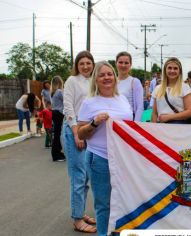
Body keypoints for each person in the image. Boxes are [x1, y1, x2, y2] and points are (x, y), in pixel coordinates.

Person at [78, 61, 133, 236]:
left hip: (122, 158)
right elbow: (81, 134)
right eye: (102, 75)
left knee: (122, 201)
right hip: (99, 158)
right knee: (104, 205)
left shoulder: (123, 99)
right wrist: (95, 123)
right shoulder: (89, 102)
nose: (106, 78)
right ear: (96, 80)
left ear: (115, 77)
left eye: (109, 74)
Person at [63, 50, 97, 233]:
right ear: (76, 65)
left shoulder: (93, 82)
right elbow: (68, 108)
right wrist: (77, 133)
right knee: (78, 176)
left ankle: (80, 211)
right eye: (81, 63)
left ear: (93, 64)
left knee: (84, 177)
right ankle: (77, 219)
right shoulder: (72, 81)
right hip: (73, 129)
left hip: (87, 129)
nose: (85, 66)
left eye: (88, 63)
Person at [151, 57, 191, 123]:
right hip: (161, 128)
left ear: (180, 71)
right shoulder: (157, 89)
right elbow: (154, 113)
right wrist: (153, 128)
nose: (172, 71)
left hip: (178, 128)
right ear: (165, 70)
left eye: (175, 68)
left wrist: (169, 117)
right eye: (169, 68)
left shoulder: (184, 87)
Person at [115, 51, 144, 121]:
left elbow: (139, 107)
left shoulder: (135, 82)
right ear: (116, 64)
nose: (123, 65)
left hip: (129, 122)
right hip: (113, 121)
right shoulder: (111, 81)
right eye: (120, 62)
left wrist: (135, 125)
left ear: (130, 65)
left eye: (126, 63)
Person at [51, 75, 65, 162]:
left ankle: (58, 152)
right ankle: (56, 155)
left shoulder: (53, 92)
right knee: (57, 135)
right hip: (59, 113)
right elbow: (67, 100)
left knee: (57, 134)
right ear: (60, 82)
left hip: (54, 113)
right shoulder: (59, 91)